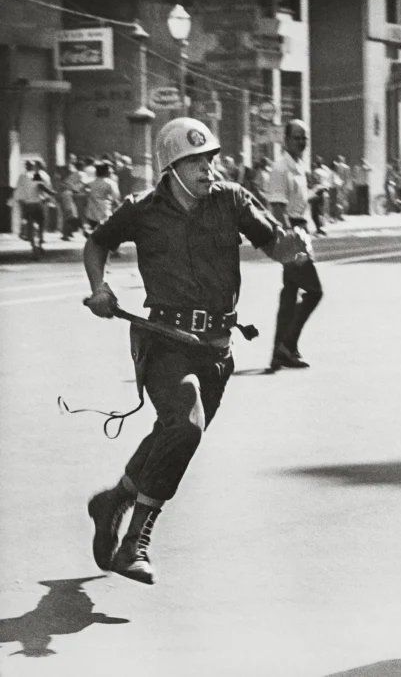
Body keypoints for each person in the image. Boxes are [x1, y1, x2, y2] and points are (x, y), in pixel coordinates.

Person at [82, 117, 309, 585]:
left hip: (217, 350)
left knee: (174, 433)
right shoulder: (141, 208)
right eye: (196, 161)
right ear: (171, 166)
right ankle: (135, 545)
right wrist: (99, 288)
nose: (209, 169)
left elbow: (272, 241)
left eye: (210, 159)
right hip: (164, 342)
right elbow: (97, 242)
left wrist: (291, 249)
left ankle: (114, 500)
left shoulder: (229, 199)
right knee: (185, 427)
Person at [267, 119, 323, 371]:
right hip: (293, 236)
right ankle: (287, 345)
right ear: (286, 140)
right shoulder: (280, 168)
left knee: (289, 295)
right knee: (314, 291)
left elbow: (295, 202)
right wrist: (292, 243)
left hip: (301, 230)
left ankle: (281, 352)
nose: (302, 142)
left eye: (305, 138)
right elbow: (278, 208)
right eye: (297, 137)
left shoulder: (298, 166)